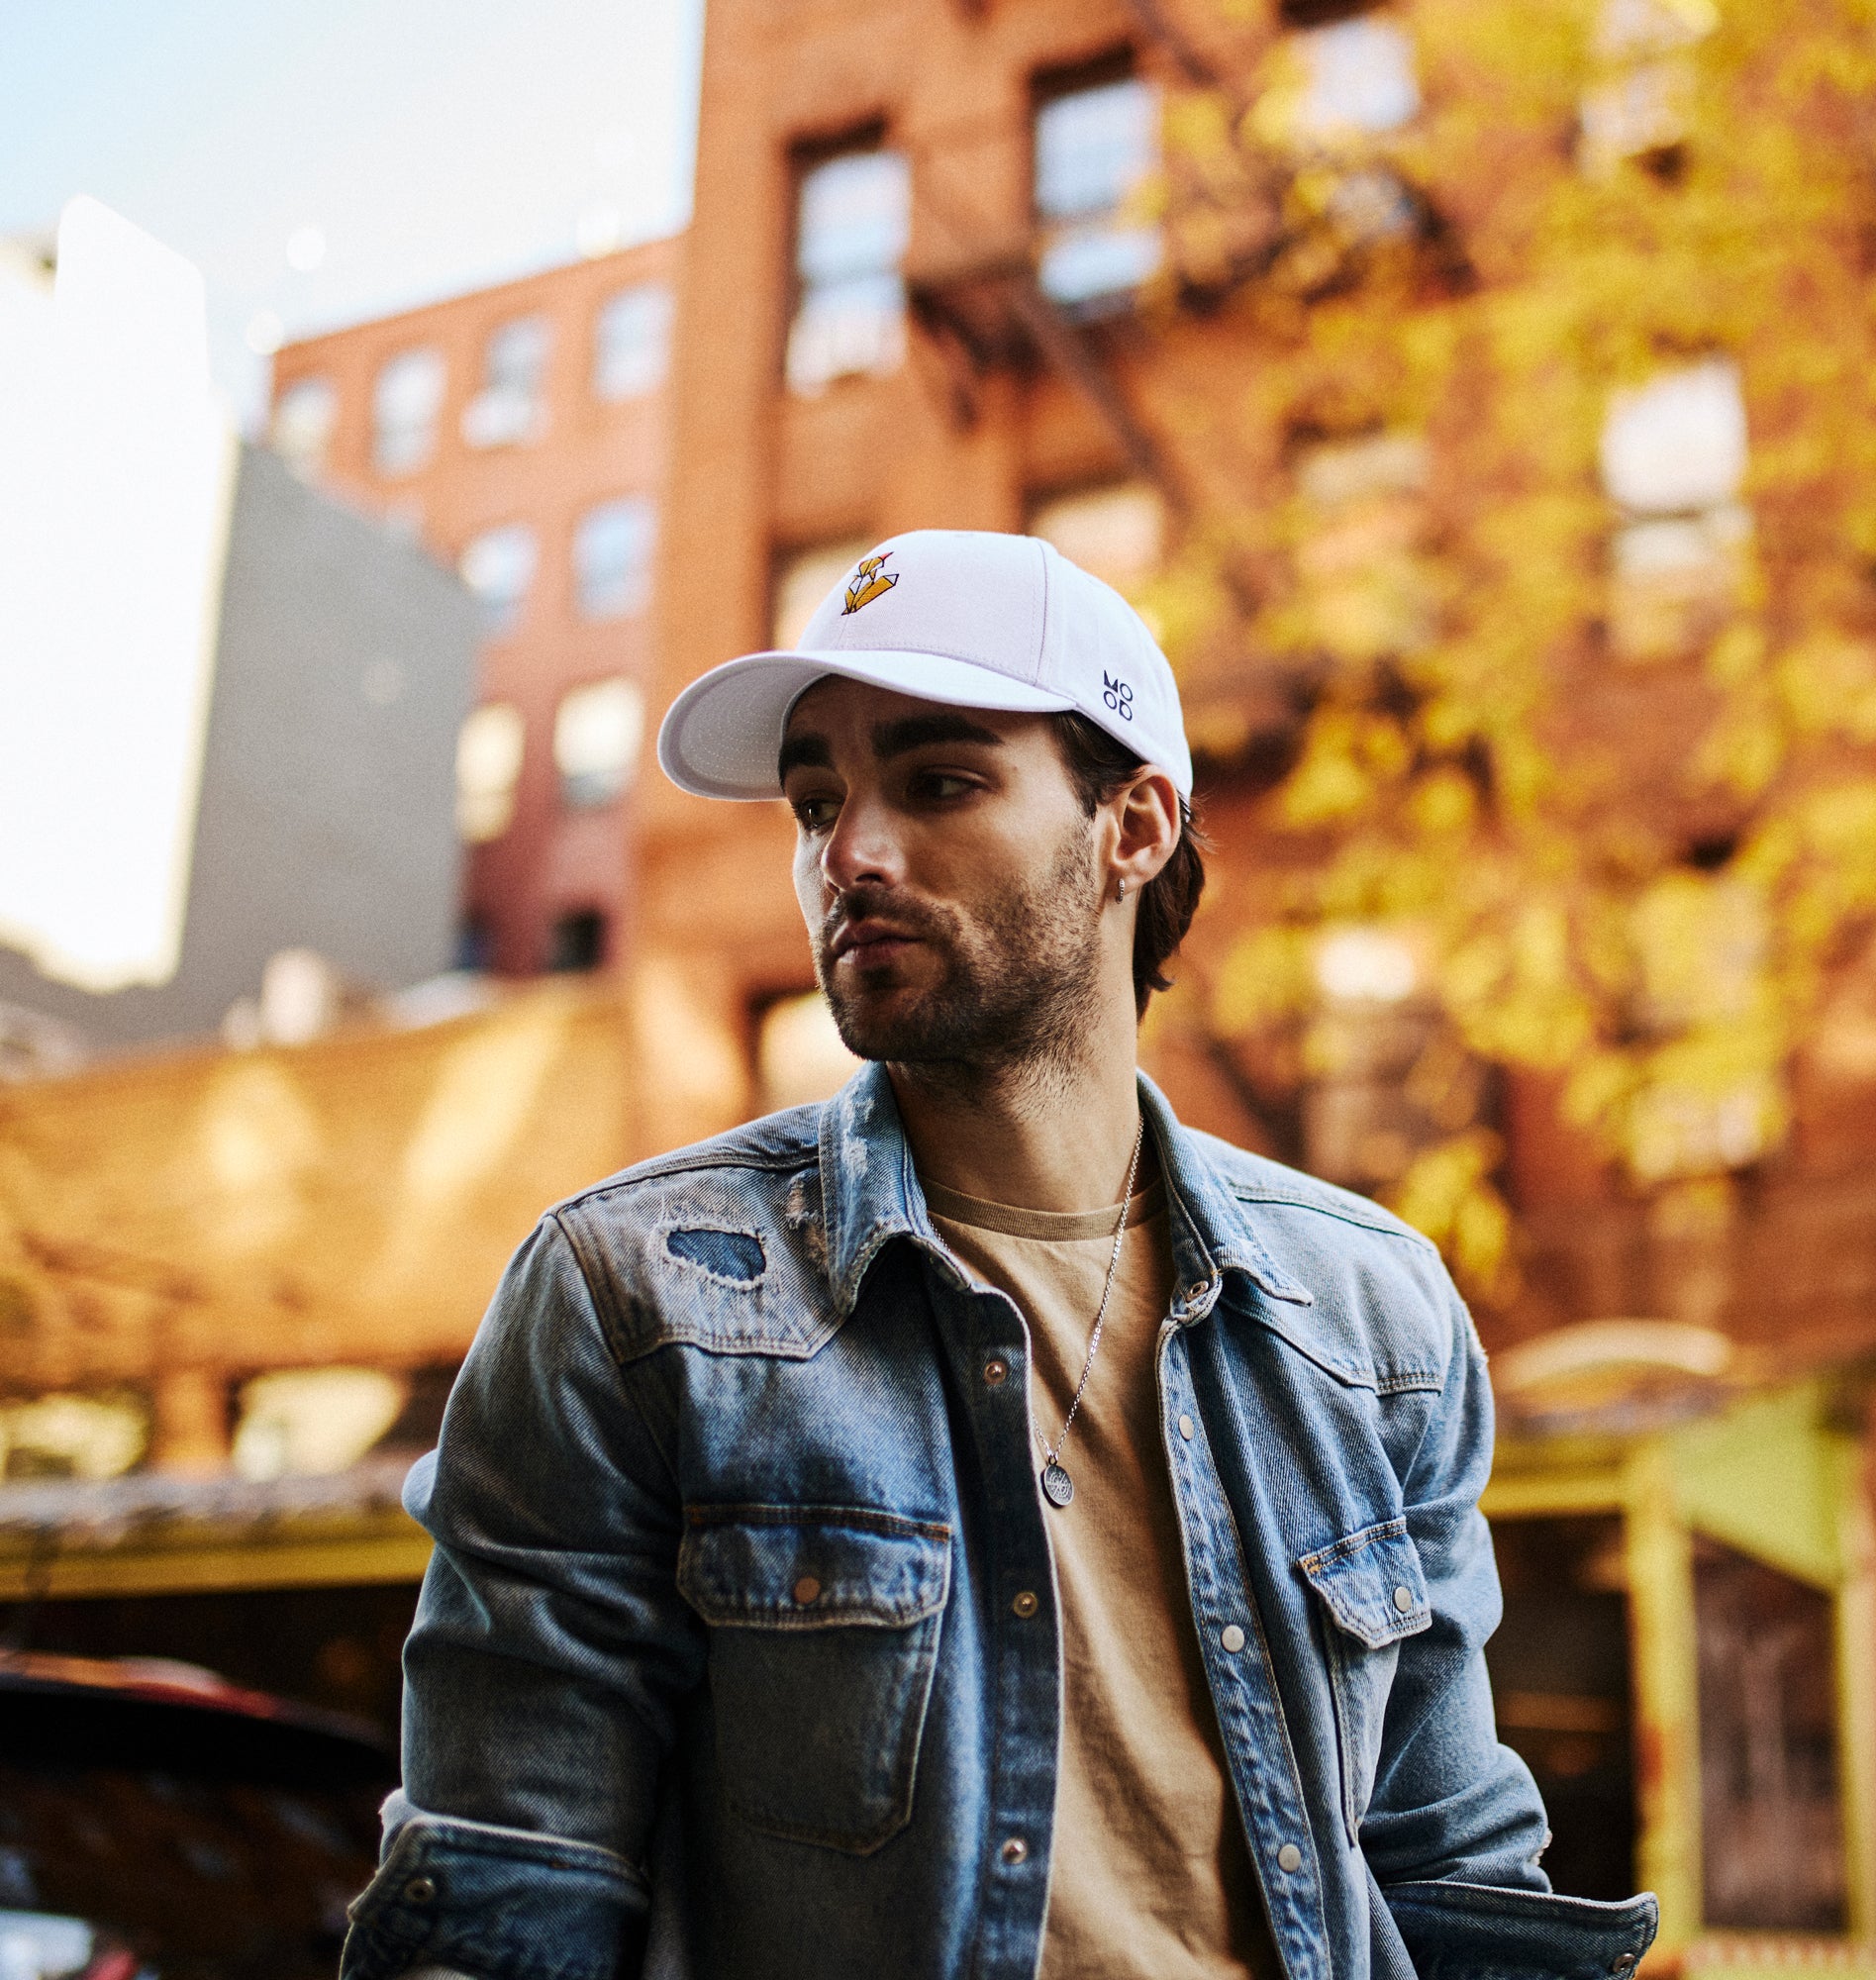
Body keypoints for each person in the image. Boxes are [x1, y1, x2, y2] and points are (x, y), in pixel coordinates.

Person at [338, 530, 1657, 1980]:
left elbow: (1451, 1877)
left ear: (1134, 826)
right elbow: (508, 1904)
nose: (849, 854)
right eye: (815, 801)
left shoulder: (1370, 1319)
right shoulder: (636, 1297)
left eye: (940, 781)